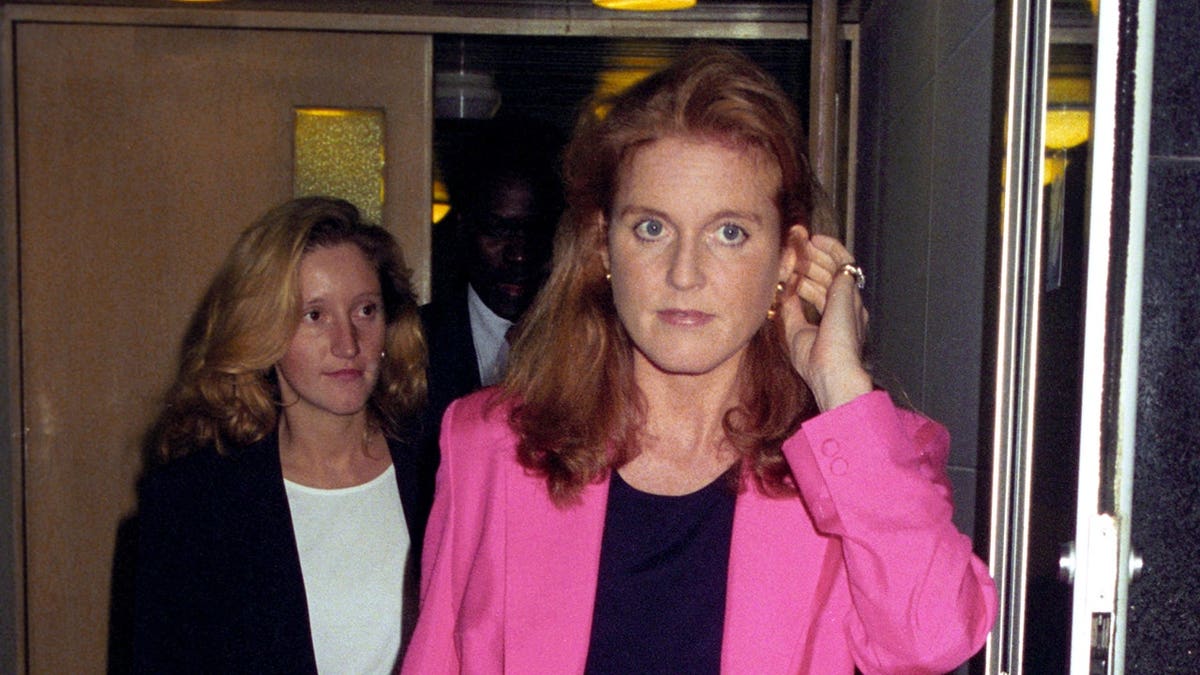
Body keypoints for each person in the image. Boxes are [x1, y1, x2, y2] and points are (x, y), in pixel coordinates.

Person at [402, 44, 997, 675]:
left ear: (788, 259)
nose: (684, 274)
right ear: (604, 245)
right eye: (652, 229)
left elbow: (930, 640)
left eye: (729, 233)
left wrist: (840, 383)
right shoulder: (491, 446)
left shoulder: (863, 459)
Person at [133, 196, 432, 674]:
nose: (348, 343)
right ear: (263, 330)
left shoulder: (441, 471)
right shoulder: (195, 504)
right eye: (314, 315)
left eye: (366, 310)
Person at [421, 119, 565, 444]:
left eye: (536, 232)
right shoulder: (413, 344)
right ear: (463, 229)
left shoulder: (595, 348)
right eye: (498, 230)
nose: (518, 254)